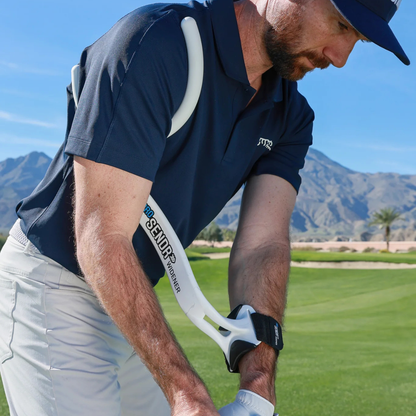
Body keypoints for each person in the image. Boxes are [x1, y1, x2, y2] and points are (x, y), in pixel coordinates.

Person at [0, 0, 409, 415]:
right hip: (51, 289)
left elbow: (262, 246)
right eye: (340, 25)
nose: (340, 59)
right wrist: (185, 391)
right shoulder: (155, 43)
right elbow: (101, 236)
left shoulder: (291, 117)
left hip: (130, 301)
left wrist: (258, 383)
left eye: (356, 40)